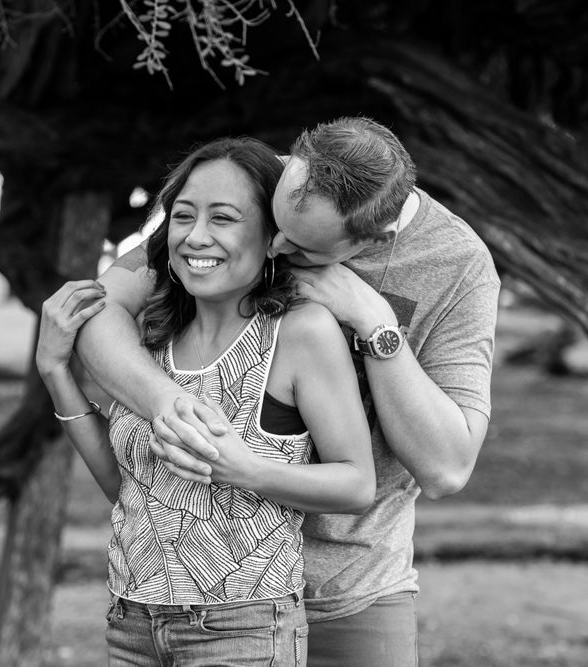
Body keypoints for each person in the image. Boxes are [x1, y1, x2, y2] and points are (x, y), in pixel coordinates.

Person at [75, 117, 501, 666]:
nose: (273, 245)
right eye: (274, 223)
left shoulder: (456, 266)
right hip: (206, 591)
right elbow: (99, 309)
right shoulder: (256, 185)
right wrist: (166, 403)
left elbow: (447, 468)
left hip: (348, 590)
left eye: (298, 246)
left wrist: (375, 324)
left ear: (375, 240)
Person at [36, 136, 375, 666]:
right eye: (183, 215)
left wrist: (244, 469)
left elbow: (357, 483)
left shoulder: (299, 333)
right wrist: (56, 371)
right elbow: (126, 490)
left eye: (223, 219)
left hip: (243, 627)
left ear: (272, 239)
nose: (195, 236)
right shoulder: (149, 337)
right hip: (132, 623)